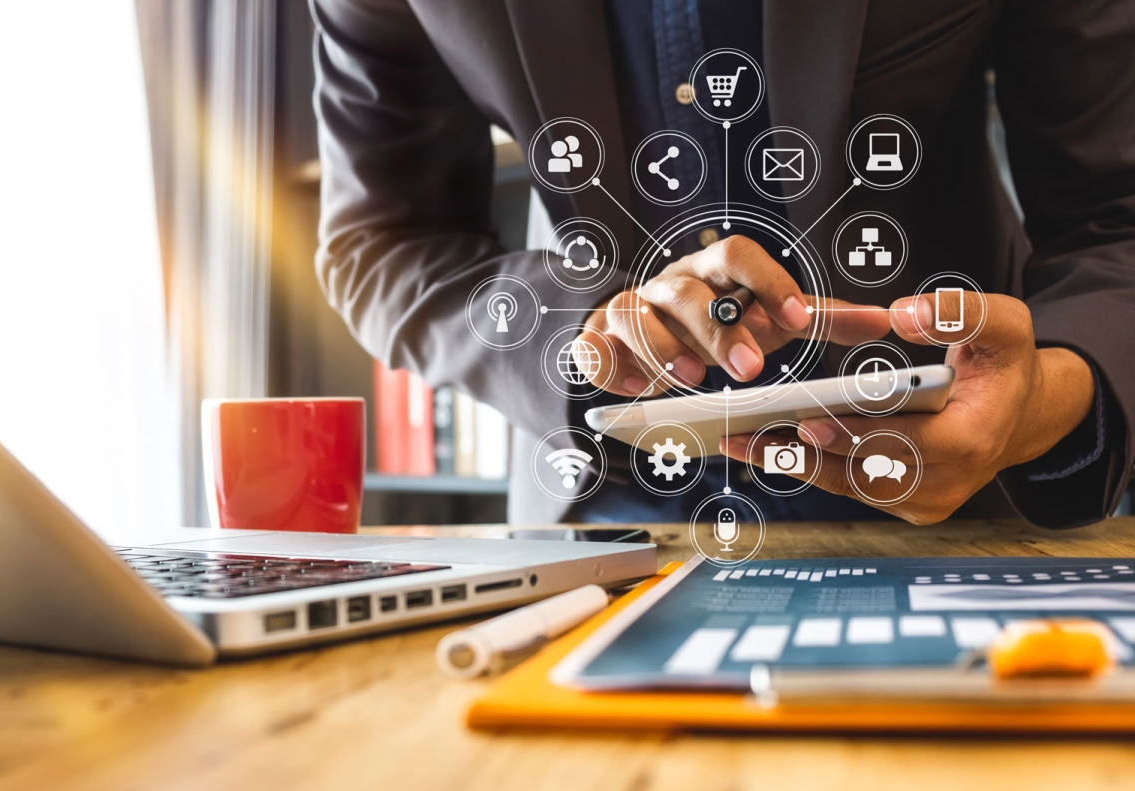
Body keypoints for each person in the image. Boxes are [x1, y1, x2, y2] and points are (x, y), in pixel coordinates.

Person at [309, 0, 1134, 528]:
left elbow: (1116, 215)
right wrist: (581, 334)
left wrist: (1045, 398)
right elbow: (381, 242)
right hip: (605, 522)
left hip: (958, 509)